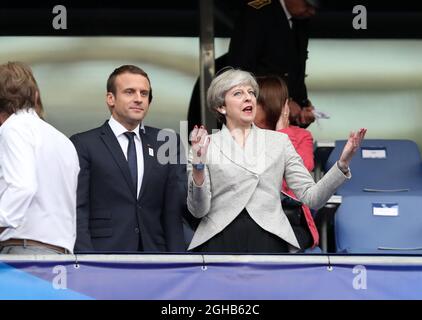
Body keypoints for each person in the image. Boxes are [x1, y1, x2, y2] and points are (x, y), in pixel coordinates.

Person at [187, 69, 366, 253]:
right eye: (238, 93)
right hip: (220, 239)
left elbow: (312, 198)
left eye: (251, 93)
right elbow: (198, 210)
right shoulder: (205, 145)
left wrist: (342, 165)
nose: (248, 98)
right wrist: (199, 165)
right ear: (221, 107)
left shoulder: (279, 142)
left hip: (268, 238)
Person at [70, 65, 186, 253]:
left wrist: (178, 263)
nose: (138, 99)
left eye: (144, 93)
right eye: (130, 92)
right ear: (111, 99)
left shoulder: (166, 142)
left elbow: (172, 212)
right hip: (103, 256)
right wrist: (85, 261)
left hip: (155, 257)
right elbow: (78, 208)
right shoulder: (83, 144)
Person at [0, 61, 79, 255]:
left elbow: (22, 186)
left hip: (21, 249)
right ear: (35, 95)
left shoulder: (13, 129)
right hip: (59, 254)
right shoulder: (61, 140)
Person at [227, 0, 317, 128]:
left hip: (284, 123)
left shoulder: (300, 22)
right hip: (258, 119)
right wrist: (281, 103)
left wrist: (302, 106)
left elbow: (296, 71)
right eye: (307, 5)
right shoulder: (258, 13)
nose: (312, 12)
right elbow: (240, 71)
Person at [255, 75, 317, 249]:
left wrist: (282, 134)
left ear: (269, 105)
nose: (247, 107)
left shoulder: (302, 136)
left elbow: (300, 173)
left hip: (291, 220)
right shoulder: (246, 137)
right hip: (256, 219)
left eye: (255, 102)